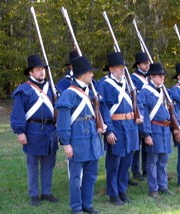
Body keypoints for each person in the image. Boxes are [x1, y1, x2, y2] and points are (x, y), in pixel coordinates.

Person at [56, 56, 105, 214]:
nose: (92, 75)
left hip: (92, 139)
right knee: (76, 178)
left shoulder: (91, 91)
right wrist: (66, 143)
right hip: (77, 141)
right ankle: (76, 207)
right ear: (82, 74)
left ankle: (87, 204)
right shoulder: (68, 94)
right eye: (90, 72)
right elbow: (63, 123)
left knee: (90, 176)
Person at [10, 54, 59, 206]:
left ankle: (46, 192)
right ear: (30, 72)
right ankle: (34, 195)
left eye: (43, 69)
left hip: (50, 130)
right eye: (38, 69)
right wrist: (20, 132)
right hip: (33, 130)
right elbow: (18, 112)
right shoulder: (23, 90)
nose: (41, 72)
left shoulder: (52, 88)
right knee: (33, 164)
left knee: (48, 163)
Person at [97, 52, 142, 206]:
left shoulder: (128, 83)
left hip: (130, 127)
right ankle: (113, 193)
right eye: (118, 67)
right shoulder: (103, 84)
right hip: (115, 127)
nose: (122, 70)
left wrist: (138, 116)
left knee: (126, 162)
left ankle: (122, 190)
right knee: (114, 163)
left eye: (123, 67)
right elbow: (102, 109)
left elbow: (137, 102)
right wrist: (108, 131)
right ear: (110, 69)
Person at [137, 62, 177, 199]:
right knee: (152, 162)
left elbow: (171, 111)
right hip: (154, 129)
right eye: (160, 76)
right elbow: (144, 115)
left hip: (165, 130)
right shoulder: (144, 92)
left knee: (163, 161)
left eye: (163, 76)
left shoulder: (165, 92)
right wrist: (146, 134)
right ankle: (153, 188)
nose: (162, 78)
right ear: (152, 77)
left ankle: (163, 186)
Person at [129, 52, 150, 183]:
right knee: (136, 145)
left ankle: (146, 169)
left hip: (149, 114)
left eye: (148, 63)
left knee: (147, 144)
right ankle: (135, 170)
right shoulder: (133, 79)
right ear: (138, 65)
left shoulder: (149, 78)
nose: (147, 65)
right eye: (145, 63)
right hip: (138, 112)